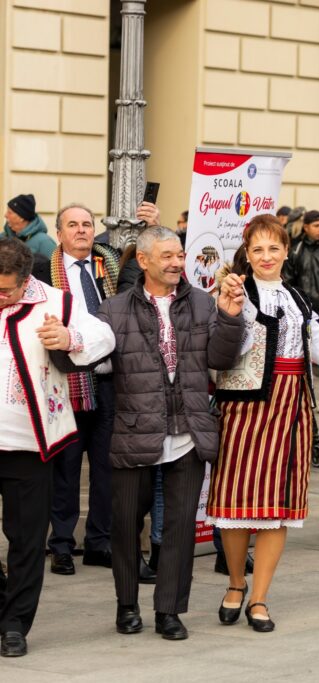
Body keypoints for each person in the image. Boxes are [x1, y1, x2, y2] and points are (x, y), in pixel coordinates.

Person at [207, 215, 319, 632]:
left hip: (290, 406)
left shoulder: (297, 298)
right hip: (243, 407)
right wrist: (231, 307)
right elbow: (222, 351)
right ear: (246, 252)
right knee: (235, 502)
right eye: (257, 249)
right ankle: (235, 582)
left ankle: (260, 597)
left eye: (274, 248)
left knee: (277, 507)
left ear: (285, 252)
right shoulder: (232, 291)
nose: (266, 257)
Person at [98, 226, 246, 641]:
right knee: (126, 523)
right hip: (134, 431)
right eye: (167, 256)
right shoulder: (113, 310)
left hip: (188, 434)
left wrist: (231, 316)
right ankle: (126, 604)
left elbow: (221, 358)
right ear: (142, 260)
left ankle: (169, 611)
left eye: (179, 255)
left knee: (181, 527)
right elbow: (87, 359)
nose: (177, 262)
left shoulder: (202, 302)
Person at [0, 237, 114, 657]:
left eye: (6, 291)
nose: (0, 297)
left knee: (27, 539)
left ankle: (14, 625)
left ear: (25, 281)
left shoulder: (58, 302)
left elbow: (104, 338)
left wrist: (68, 338)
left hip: (31, 443)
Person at [40, 205, 120, 576]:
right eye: (72, 225)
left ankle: (99, 543)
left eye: (87, 224)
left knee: (106, 470)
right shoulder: (44, 273)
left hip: (110, 384)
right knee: (66, 469)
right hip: (65, 385)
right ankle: (60, 545)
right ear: (59, 234)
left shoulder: (112, 268)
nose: (81, 230)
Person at [285, 210, 319, 414]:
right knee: (302, 354)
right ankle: (303, 394)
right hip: (303, 309)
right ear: (306, 227)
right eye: (316, 225)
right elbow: (289, 279)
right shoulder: (297, 249)